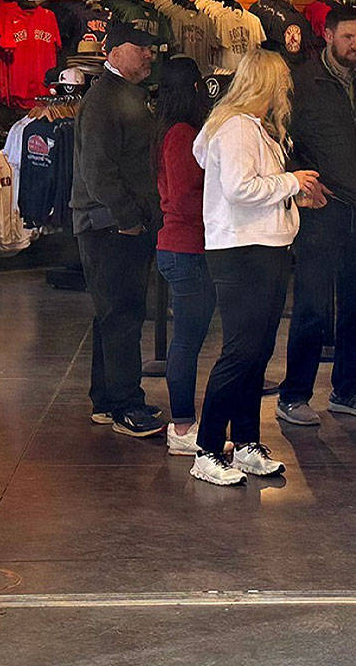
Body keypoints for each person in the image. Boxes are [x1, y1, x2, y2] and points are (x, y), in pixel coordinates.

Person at [191, 49, 320, 486]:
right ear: (266, 83)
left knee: (258, 351)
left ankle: (245, 442)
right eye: (282, 79)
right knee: (242, 351)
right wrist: (291, 182)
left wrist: (291, 191)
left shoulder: (253, 129)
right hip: (242, 250)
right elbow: (240, 188)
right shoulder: (236, 128)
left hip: (263, 246)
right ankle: (208, 448)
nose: (287, 87)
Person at [277, 5, 356, 426]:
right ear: (328, 36)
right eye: (347, 37)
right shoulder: (303, 82)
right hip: (323, 211)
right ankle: (293, 396)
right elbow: (281, 135)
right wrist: (298, 178)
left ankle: (348, 390)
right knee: (311, 306)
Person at [71, 21, 164, 439]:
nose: (149, 54)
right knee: (123, 315)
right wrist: (127, 217)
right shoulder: (104, 98)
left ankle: (105, 400)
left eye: (151, 48)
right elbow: (97, 171)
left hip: (116, 222)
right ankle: (127, 405)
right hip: (108, 225)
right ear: (113, 50)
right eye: (140, 47)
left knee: (111, 315)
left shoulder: (126, 95)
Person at [154, 57, 216, 456]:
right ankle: (181, 426)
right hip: (185, 247)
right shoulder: (180, 134)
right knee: (187, 342)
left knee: (189, 340)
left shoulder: (175, 131)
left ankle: (183, 424)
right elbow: (182, 195)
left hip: (186, 246)